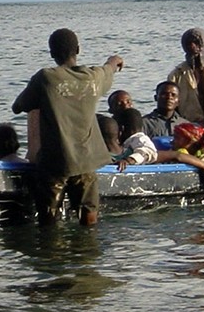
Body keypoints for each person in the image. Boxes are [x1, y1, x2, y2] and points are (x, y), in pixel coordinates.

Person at [11, 28, 123, 226]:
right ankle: (87, 250)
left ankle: (52, 251)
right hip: (86, 162)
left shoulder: (46, 78)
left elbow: (19, 107)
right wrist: (114, 60)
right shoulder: (93, 78)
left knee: (48, 218)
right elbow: (109, 68)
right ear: (78, 50)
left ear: (52, 53)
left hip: (55, 162)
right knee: (89, 214)